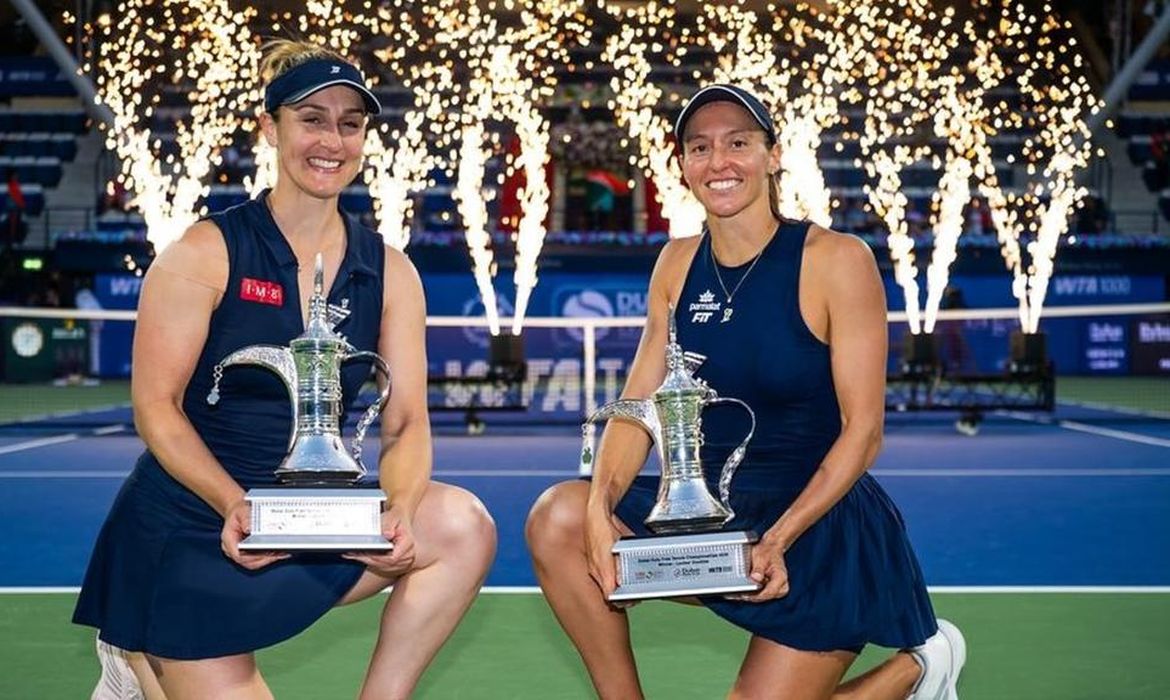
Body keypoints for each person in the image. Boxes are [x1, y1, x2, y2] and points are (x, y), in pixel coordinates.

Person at [73, 39, 496, 699]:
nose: (332, 140)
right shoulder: (204, 252)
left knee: (462, 524)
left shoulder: (391, 271)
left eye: (349, 124)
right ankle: (137, 654)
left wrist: (401, 508)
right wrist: (233, 503)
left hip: (306, 515)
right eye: (311, 119)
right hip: (195, 524)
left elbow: (407, 421)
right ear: (269, 129)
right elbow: (157, 407)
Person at [526, 84, 965, 700]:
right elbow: (638, 407)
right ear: (683, 166)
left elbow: (864, 431)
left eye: (738, 143)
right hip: (718, 515)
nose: (719, 162)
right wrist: (600, 508)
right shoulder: (676, 264)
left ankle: (922, 667)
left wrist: (780, 538)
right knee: (560, 517)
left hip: (816, 525)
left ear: (772, 155)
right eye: (700, 147)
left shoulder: (836, 259)